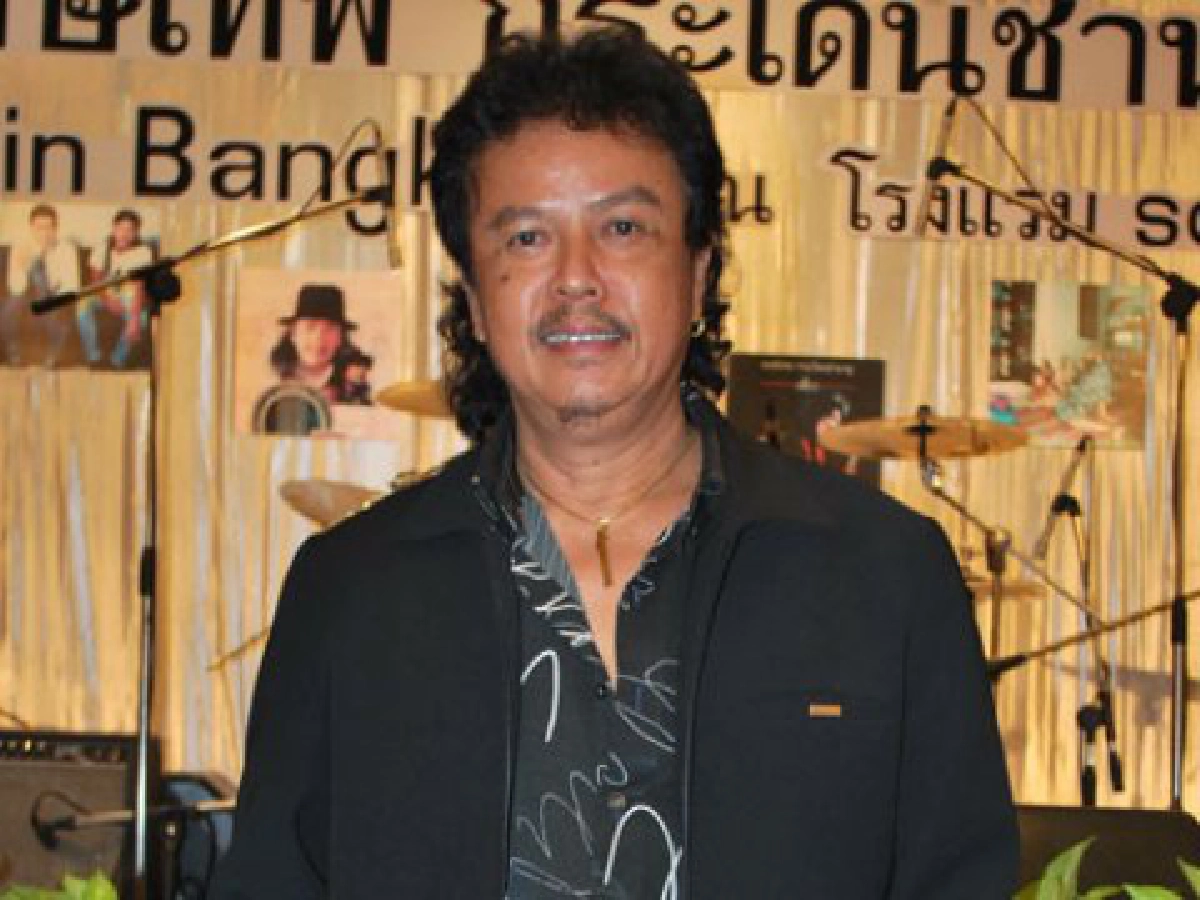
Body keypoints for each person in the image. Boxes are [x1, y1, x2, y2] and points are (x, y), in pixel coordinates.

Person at [211, 27, 1017, 899]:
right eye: (526, 238)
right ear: (474, 299)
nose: (576, 278)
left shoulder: (886, 574)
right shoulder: (349, 591)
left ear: (699, 270)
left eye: (624, 227)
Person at [4, 203, 82, 366]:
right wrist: (26, 265)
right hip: (26, 297)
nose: (44, 233)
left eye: (49, 227)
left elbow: (72, 286)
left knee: (60, 308)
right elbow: (15, 287)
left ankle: (53, 357)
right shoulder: (20, 248)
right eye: (39, 228)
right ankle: (14, 354)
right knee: (9, 308)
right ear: (31, 228)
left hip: (53, 297)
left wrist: (53, 293)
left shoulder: (67, 250)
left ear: (56, 228)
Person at [79, 208, 154, 367]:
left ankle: (116, 360)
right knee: (82, 304)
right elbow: (96, 281)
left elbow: (139, 287)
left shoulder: (143, 252)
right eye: (121, 228)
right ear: (113, 228)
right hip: (104, 292)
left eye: (130, 230)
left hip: (129, 294)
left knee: (141, 319)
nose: (124, 234)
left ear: (136, 233)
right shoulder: (102, 248)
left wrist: (134, 318)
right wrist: (107, 301)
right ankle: (94, 357)